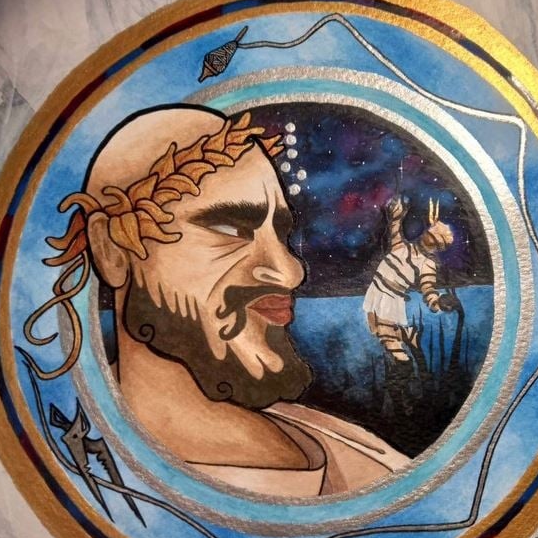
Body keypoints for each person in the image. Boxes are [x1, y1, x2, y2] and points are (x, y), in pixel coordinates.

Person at [24, 105, 409, 497]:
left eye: (280, 233)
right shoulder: (88, 469)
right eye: (230, 228)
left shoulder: (354, 452)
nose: (290, 272)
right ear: (113, 252)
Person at [363, 195, 454, 362]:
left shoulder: (427, 264)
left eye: (432, 235)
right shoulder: (403, 247)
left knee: (386, 335)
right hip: (376, 289)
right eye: (429, 232)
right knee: (374, 327)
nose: (427, 234)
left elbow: (428, 288)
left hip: (391, 296)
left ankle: (403, 362)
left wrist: (436, 302)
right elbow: (395, 230)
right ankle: (407, 334)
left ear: (436, 244)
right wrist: (397, 215)